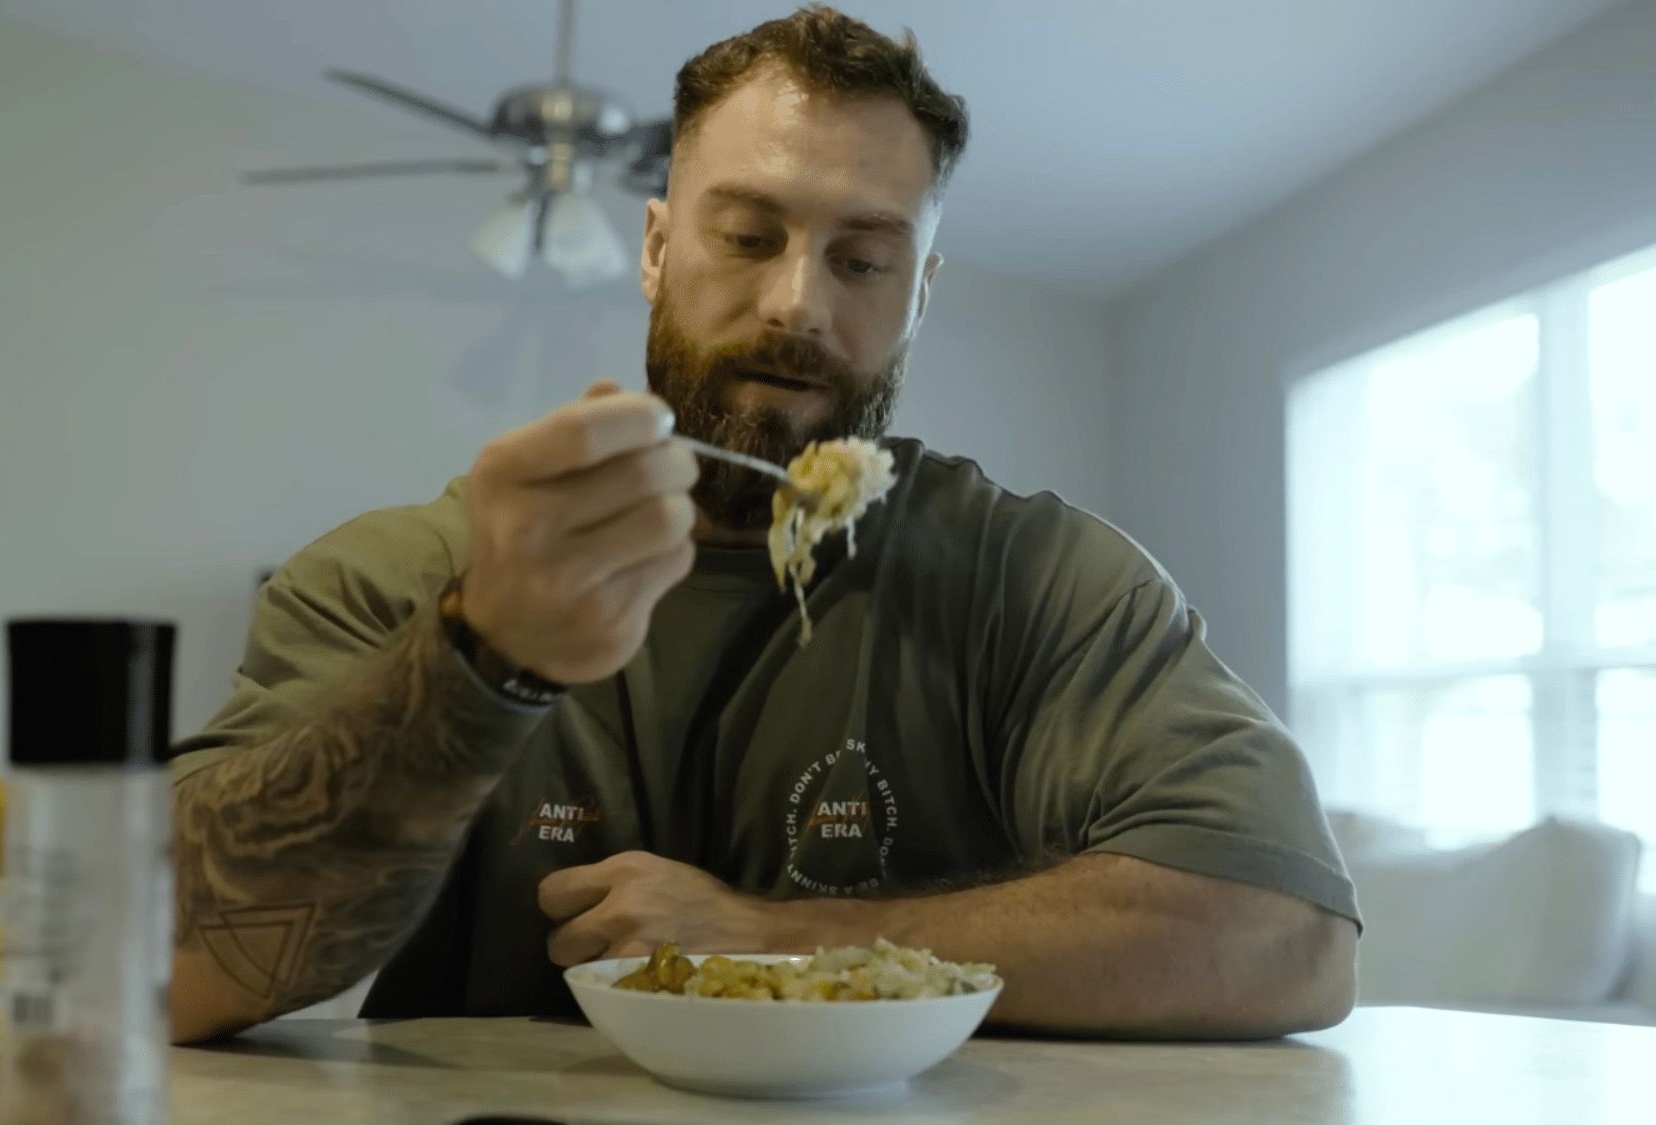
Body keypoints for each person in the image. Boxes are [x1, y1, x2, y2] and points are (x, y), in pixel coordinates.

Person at [166, 4, 1359, 1044]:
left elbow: (1285, 938)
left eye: (864, 259)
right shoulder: (407, 574)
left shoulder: (1034, 580)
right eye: (746, 237)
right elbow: (165, 965)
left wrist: (782, 944)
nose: (796, 302)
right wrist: (479, 660)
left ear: (920, 294)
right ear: (653, 246)